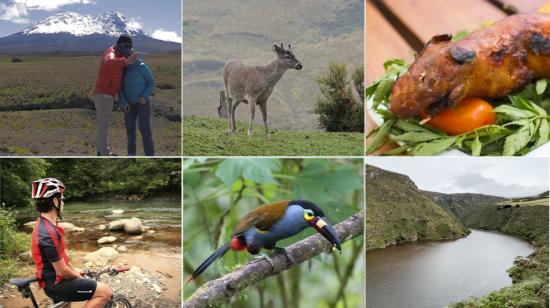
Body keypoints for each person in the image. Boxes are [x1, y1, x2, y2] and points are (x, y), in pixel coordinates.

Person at [30, 178, 112, 307]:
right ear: (55, 201)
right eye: (62, 200)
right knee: (105, 292)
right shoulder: (47, 233)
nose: (63, 204)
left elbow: (60, 259)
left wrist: (75, 270)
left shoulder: (45, 224)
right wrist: (79, 278)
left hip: (52, 281)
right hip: (57, 285)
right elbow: (62, 271)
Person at [93, 34, 137, 156]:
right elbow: (107, 62)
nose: (127, 49)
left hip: (107, 94)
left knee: (104, 125)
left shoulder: (119, 54)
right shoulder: (111, 53)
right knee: (104, 126)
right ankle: (105, 154)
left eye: (129, 47)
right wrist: (125, 61)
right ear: (118, 44)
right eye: (125, 46)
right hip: (103, 94)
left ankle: (102, 151)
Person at [119, 51, 156, 156]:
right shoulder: (124, 70)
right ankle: (131, 153)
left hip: (142, 103)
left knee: (144, 127)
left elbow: (151, 81)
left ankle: (150, 154)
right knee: (130, 128)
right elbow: (120, 88)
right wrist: (123, 102)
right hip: (128, 104)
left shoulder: (142, 66)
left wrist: (145, 96)